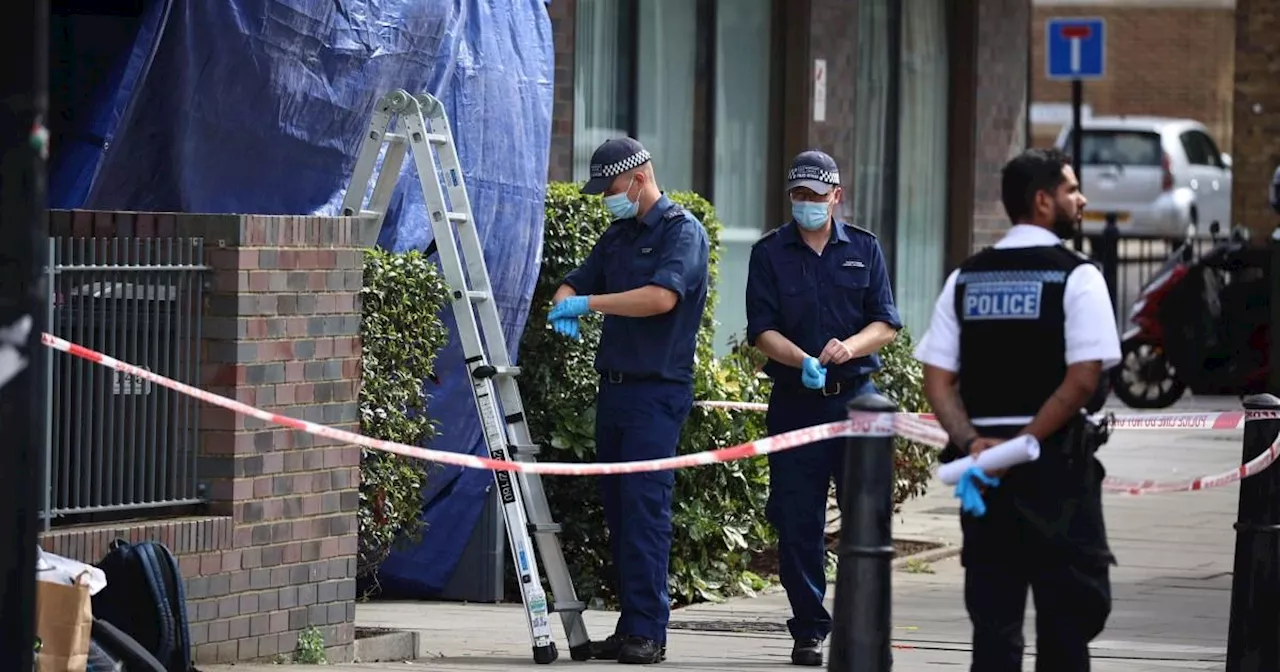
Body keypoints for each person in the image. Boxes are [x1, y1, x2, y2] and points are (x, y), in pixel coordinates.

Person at [912, 147, 1121, 671]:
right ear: (1043, 200)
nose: (1082, 199)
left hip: (985, 483)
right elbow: (1083, 380)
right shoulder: (1078, 276)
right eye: (1073, 190)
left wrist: (971, 442)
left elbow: (936, 380)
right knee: (1067, 627)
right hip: (1058, 478)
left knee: (994, 628)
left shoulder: (966, 278)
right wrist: (1026, 441)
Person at [547, 137, 710, 665]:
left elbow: (661, 298)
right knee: (619, 515)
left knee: (645, 512)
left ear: (638, 178)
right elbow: (575, 280)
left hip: (656, 393)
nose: (605, 198)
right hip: (614, 393)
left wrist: (589, 305)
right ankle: (629, 625)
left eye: (611, 187)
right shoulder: (618, 236)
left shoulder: (681, 233)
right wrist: (565, 300)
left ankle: (648, 632)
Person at [744, 149, 902, 667]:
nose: (807, 204)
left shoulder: (865, 249)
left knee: (865, 519)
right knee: (797, 520)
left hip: (856, 402)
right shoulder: (769, 253)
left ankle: (864, 624)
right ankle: (809, 628)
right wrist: (802, 359)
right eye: (798, 195)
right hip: (795, 401)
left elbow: (886, 322)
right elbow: (761, 330)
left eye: (816, 196)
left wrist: (850, 348)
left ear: (836, 196)